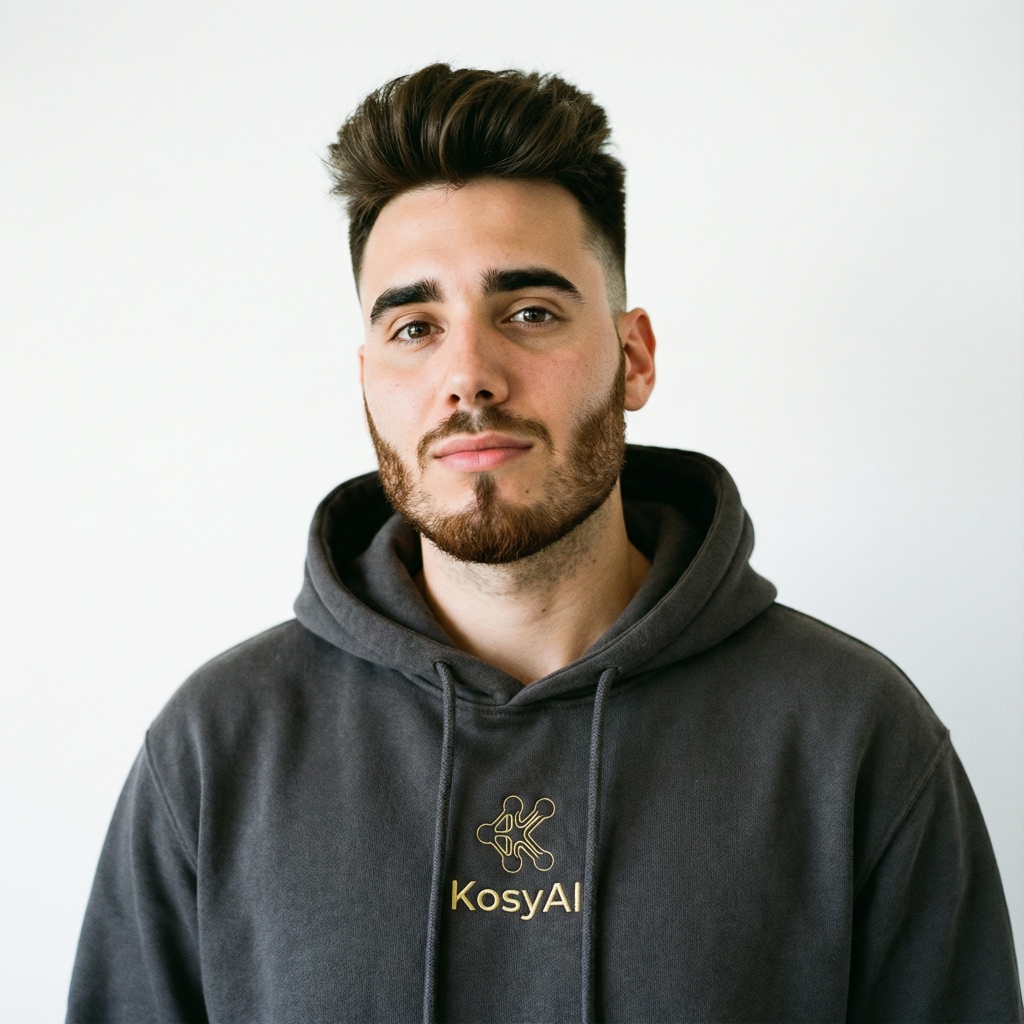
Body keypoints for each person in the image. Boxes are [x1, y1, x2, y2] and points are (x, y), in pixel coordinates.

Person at [67, 63, 1022, 1024]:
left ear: (633, 357)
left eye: (528, 313)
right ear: (367, 381)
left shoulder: (852, 736)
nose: (469, 376)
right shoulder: (216, 748)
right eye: (414, 327)